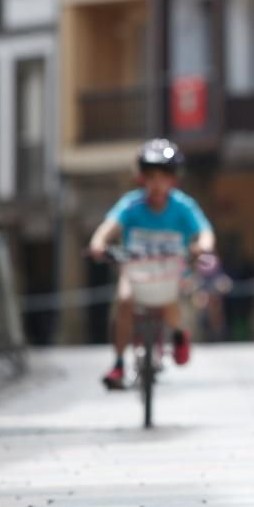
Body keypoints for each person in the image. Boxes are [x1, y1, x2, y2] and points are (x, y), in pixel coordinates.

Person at [89, 139, 216, 390]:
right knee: (124, 300)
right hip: (136, 271)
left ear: (173, 180)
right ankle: (118, 363)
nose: (156, 184)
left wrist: (203, 245)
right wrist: (98, 244)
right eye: (150, 176)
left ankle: (178, 333)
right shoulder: (131, 205)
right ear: (142, 179)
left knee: (170, 303)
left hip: (170, 272)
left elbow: (205, 233)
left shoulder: (183, 207)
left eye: (163, 177)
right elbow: (106, 229)